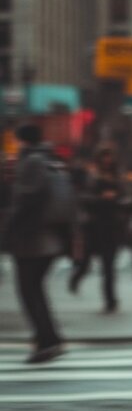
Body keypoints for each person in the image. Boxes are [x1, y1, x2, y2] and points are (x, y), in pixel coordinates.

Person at [2, 124, 67, 363]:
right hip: (44, 239)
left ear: (23, 141)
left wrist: (7, 231)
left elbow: (26, 200)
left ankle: (47, 341)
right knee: (34, 290)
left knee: (29, 291)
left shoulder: (32, 162)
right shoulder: (47, 160)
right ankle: (49, 338)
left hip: (33, 241)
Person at [69, 145, 129, 313]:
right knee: (86, 261)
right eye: (105, 157)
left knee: (109, 266)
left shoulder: (118, 177)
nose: (107, 160)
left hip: (112, 226)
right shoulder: (91, 175)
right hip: (94, 226)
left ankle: (110, 300)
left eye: (110, 157)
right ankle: (76, 277)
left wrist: (117, 200)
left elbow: (127, 198)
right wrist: (101, 198)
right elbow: (82, 198)